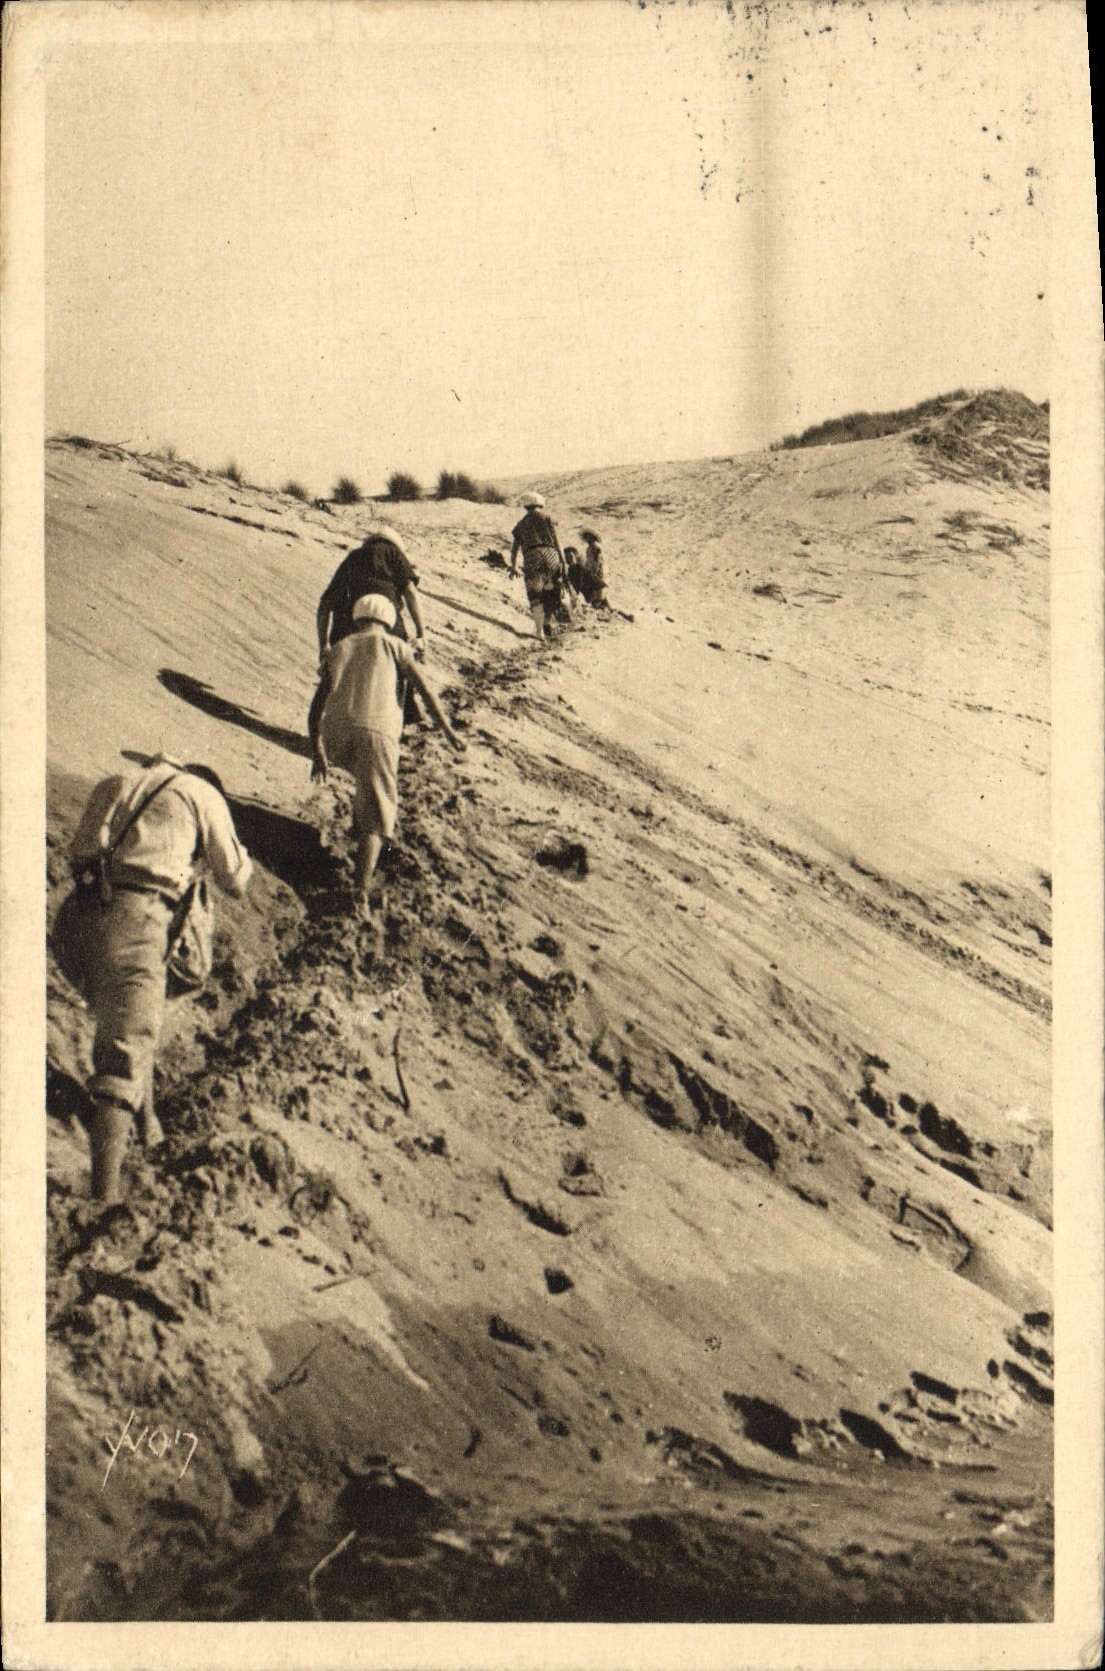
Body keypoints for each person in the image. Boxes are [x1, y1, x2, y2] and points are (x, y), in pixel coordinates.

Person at [61, 755, 252, 1205]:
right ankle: (103, 1200)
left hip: (75, 924)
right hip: (139, 921)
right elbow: (237, 880)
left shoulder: (118, 780)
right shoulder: (204, 796)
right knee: (123, 1056)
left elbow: (80, 854)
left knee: (135, 1015)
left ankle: (146, 1120)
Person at [309, 595, 466, 915]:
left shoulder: (339, 647)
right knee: (378, 815)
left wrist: (318, 751)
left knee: (362, 779)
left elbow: (315, 708)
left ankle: (356, 816)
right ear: (389, 621)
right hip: (378, 733)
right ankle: (359, 893)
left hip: (336, 732)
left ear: (356, 619)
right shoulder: (397, 647)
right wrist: (449, 732)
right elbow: (425, 692)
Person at [317, 524, 427, 662]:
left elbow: (325, 604)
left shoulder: (354, 556)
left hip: (349, 631)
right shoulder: (394, 553)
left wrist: (323, 647)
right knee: (405, 663)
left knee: (334, 676)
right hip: (389, 629)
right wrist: (421, 635)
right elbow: (411, 593)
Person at [509, 493, 570, 639]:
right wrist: (563, 562)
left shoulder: (521, 524)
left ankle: (539, 631)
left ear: (526, 506)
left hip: (531, 557)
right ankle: (549, 621)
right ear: (541, 504)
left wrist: (514, 566)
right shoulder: (548, 519)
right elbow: (557, 542)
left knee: (535, 594)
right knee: (551, 590)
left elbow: (515, 549)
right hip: (551, 555)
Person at [575, 528, 610, 609]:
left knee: (598, 590)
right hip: (592, 570)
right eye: (586, 537)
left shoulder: (596, 547)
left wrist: (594, 572)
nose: (587, 539)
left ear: (593, 537)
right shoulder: (589, 549)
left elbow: (598, 561)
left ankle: (600, 605)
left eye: (589, 537)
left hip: (597, 572)